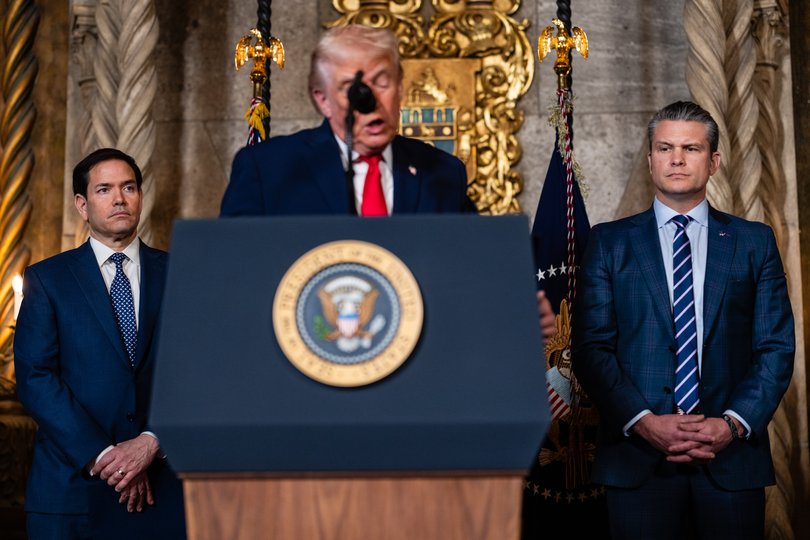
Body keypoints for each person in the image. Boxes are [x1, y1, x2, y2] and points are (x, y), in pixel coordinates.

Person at [571, 101, 794, 539]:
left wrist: (731, 424)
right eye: (665, 148)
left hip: (730, 462)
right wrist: (644, 421)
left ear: (713, 162)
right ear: (650, 159)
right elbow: (591, 347)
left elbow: (775, 348)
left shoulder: (754, 242)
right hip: (638, 461)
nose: (676, 159)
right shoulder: (609, 243)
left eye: (690, 149)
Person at [14, 148, 185, 539]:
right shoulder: (48, 280)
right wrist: (105, 457)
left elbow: (199, 371)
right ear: (82, 205)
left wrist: (150, 443)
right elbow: (36, 378)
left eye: (129, 187)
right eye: (104, 189)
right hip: (71, 490)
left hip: (160, 489)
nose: (119, 199)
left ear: (140, 196)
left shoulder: (181, 274)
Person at [220, 24, 475, 216]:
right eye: (351, 89)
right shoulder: (269, 170)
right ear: (323, 100)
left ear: (400, 88)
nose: (370, 102)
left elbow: (472, 258)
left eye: (382, 82)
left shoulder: (443, 174)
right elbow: (235, 260)